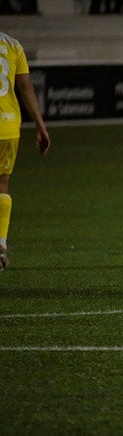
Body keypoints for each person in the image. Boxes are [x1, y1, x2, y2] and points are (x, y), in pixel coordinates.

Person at [0, 32, 52, 271]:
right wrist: (40, 126)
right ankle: (0, 247)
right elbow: (26, 89)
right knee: (2, 186)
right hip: (9, 127)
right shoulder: (13, 44)